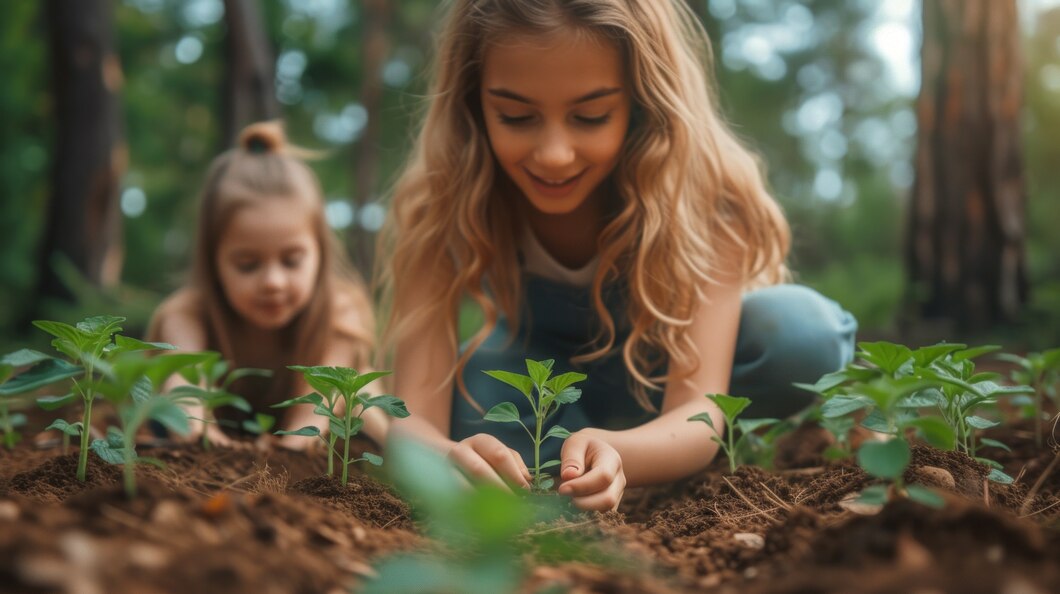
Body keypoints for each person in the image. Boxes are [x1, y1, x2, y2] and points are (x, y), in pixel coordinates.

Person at [378, 0, 857, 511]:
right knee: (482, 410)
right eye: (516, 116)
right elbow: (413, 418)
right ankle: (589, 463)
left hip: (667, 382)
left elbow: (699, 409)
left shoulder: (708, 196)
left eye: (591, 116)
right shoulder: (445, 199)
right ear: (474, 103)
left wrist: (619, 452)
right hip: (538, 390)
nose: (554, 154)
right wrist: (450, 456)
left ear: (642, 101)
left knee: (801, 336)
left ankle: (690, 455)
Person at [147, 121, 385, 450]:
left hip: (320, 439)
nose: (273, 282)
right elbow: (184, 396)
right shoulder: (187, 313)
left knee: (365, 399)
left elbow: (310, 423)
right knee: (161, 411)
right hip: (219, 439)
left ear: (320, 253)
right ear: (213, 261)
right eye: (248, 265)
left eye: (291, 261)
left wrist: (282, 452)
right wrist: (196, 429)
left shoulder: (339, 315)